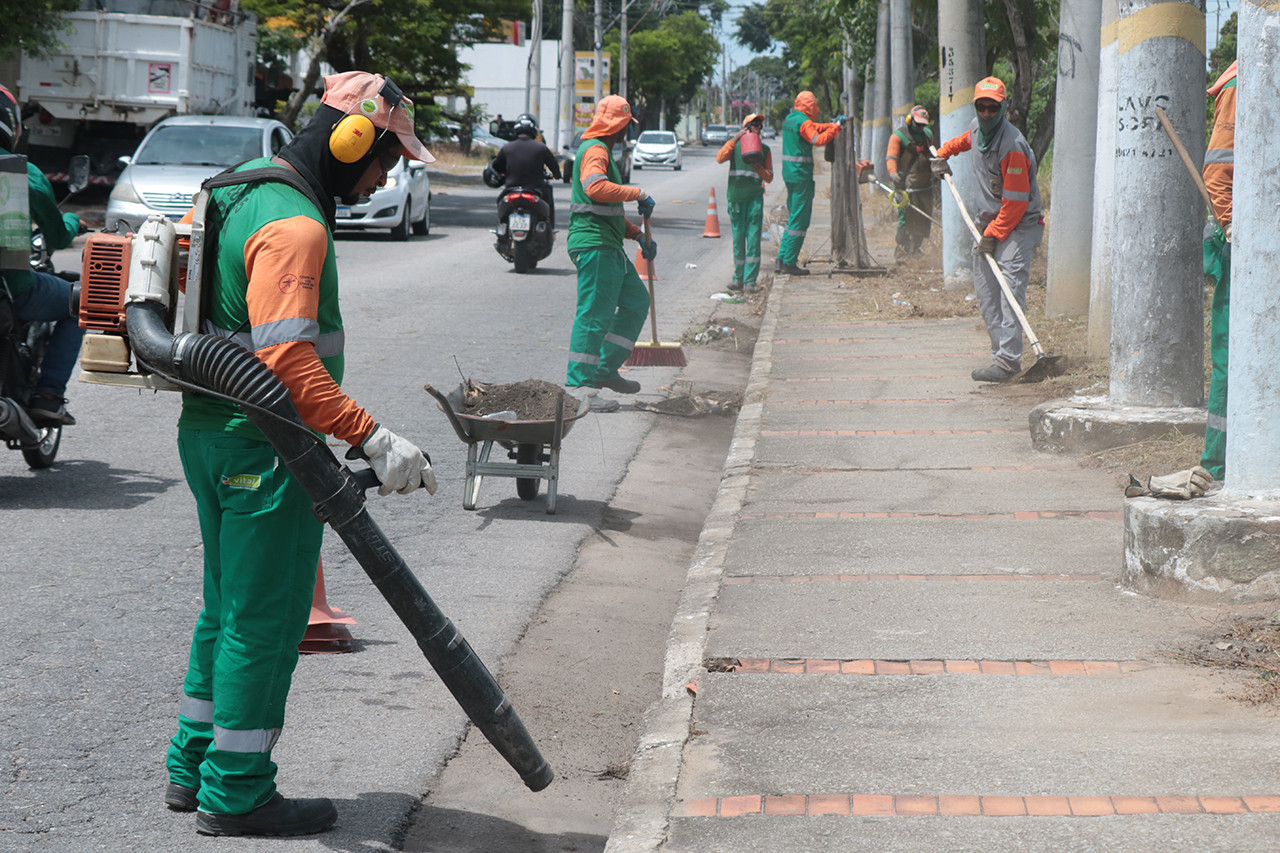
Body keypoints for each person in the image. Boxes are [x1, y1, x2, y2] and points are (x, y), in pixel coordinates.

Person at [164, 71, 438, 837]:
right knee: (266, 621)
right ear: (353, 138)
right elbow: (288, 366)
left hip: (209, 434)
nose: (387, 175)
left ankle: (192, 768)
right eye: (387, 158)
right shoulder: (296, 225)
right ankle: (238, 789)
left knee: (225, 610)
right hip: (264, 446)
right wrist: (372, 435)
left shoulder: (240, 190)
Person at [931, 77, 1044, 383]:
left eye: (992, 108)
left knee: (1009, 291)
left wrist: (993, 234)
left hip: (1018, 225)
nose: (986, 113)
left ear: (1003, 107)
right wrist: (942, 154)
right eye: (981, 107)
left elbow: (1016, 203)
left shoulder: (1013, 147)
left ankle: (1009, 361)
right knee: (986, 292)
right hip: (991, 222)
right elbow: (965, 140)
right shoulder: (978, 127)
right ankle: (1000, 358)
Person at [564, 94, 656, 414]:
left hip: (608, 244)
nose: (625, 134)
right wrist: (638, 193)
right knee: (593, 316)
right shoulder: (596, 150)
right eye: (624, 128)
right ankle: (580, 387)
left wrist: (636, 234)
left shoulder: (601, 151)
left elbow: (607, 209)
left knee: (636, 302)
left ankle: (604, 369)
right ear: (616, 125)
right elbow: (595, 189)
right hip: (594, 245)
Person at [0, 84, 84, 425]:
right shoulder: (20, 172)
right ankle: (48, 396)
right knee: (80, 303)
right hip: (12, 287)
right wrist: (73, 221)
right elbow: (58, 237)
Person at [1200, 59, 1235, 483]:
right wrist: (1232, 225)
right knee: (1230, 353)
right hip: (1236, 244)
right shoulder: (1244, 84)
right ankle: (1217, 461)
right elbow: (1218, 172)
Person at [775, 91, 842, 276]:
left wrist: (831, 124)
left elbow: (814, 127)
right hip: (801, 176)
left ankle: (781, 259)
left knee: (792, 218)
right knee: (800, 220)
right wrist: (835, 130)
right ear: (811, 106)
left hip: (789, 175)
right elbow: (817, 139)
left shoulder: (790, 119)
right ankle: (789, 262)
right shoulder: (803, 122)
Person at [716, 113, 773, 293]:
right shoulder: (735, 147)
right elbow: (720, 158)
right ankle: (738, 278)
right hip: (736, 199)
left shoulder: (765, 150)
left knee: (754, 240)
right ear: (746, 128)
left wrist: (758, 167)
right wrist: (736, 138)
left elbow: (769, 178)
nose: (758, 128)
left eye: (759, 125)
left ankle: (750, 282)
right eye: (754, 124)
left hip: (754, 200)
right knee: (738, 240)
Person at [490, 113, 561, 227]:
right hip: (536, 190)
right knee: (548, 197)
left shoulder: (507, 148)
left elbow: (496, 168)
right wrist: (556, 175)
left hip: (511, 190)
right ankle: (551, 230)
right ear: (533, 131)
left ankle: (502, 229)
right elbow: (555, 168)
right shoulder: (541, 148)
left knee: (500, 203)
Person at [885, 104, 935, 258]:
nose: (920, 126)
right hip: (905, 186)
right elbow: (891, 157)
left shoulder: (927, 134)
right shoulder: (898, 136)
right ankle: (902, 249)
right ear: (909, 120)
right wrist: (893, 173)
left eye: (922, 124)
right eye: (917, 123)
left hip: (924, 185)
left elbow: (933, 153)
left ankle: (915, 248)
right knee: (906, 217)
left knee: (923, 218)